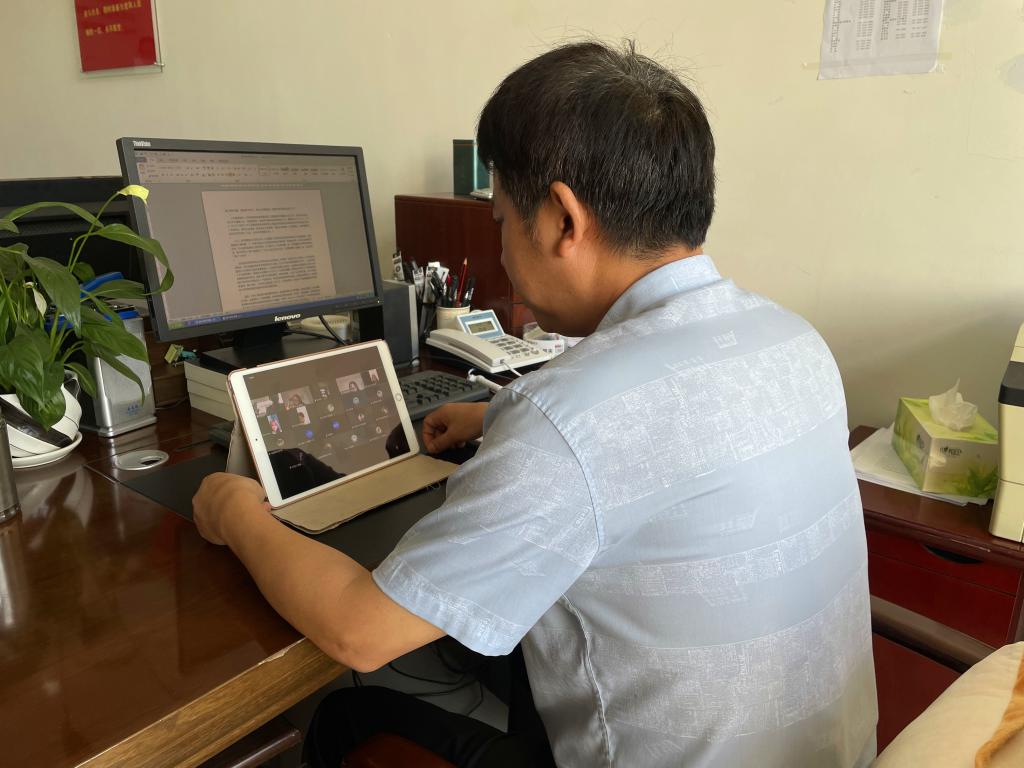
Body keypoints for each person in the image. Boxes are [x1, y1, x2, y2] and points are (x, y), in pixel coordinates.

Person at [193, 40, 876, 767]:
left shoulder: (569, 421)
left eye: (498, 221)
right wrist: (498, 416)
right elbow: (673, 436)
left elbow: (360, 631)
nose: (499, 250)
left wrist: (236, 513)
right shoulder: (790, 340)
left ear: (561, 220)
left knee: (344, 715)